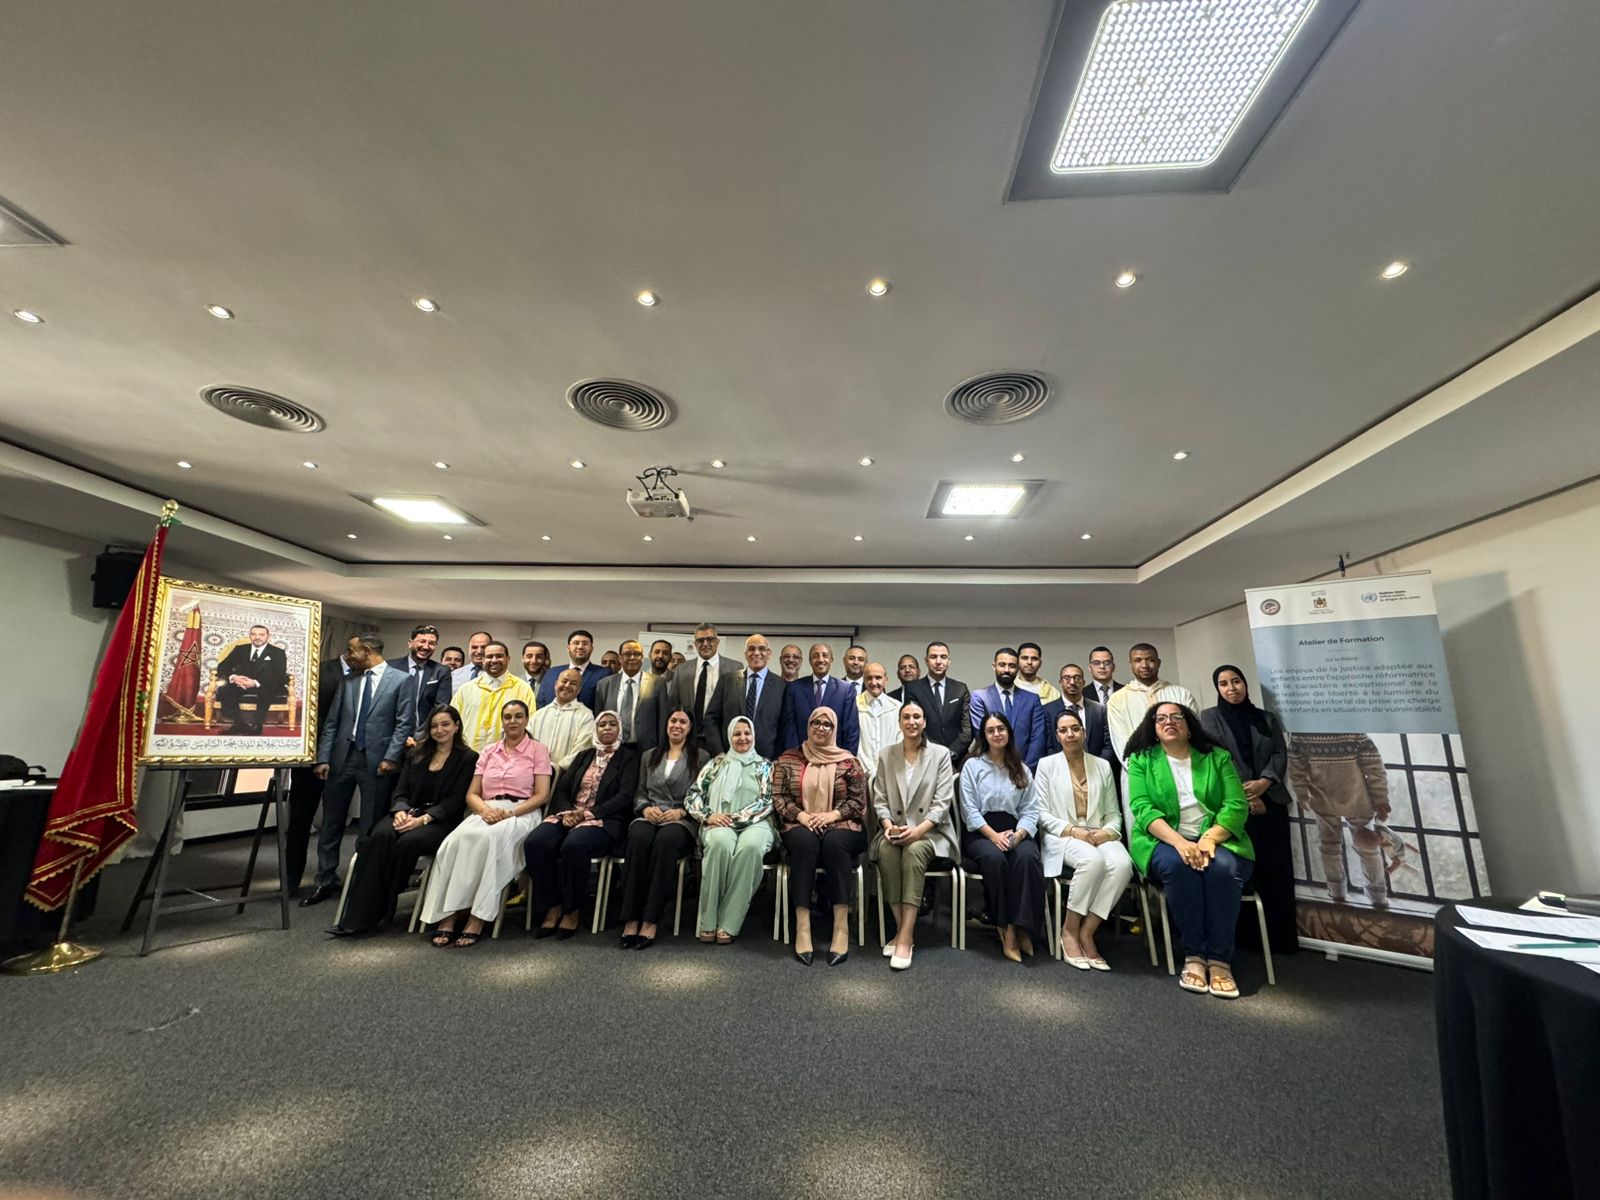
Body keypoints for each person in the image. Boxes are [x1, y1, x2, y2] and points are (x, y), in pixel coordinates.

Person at [1126, 702, 1254, 999]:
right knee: (1179, 867)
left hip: (1218, 838)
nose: (1168, 722)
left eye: (1176, 717)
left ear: (1189, 726)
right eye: (1160, 719)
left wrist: (1210, 838)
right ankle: (1194, 955)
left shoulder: (1217, 757)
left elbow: (1236, 805)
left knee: (1222, 870)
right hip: (1164, 840)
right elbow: (1142, 809)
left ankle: (1219, 960)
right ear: (1153, 729)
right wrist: (1180, 843)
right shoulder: (1142, 760)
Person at [328, 704, 477, 936]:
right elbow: (400, 791)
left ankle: (384, 907)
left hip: (440, 820)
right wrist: (400, 811)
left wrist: (424, 819)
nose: (439, 730)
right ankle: (356, 917)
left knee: (408, 842)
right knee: (378, 837)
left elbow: (456, 801)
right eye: (434, 726)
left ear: (457, 726)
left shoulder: (468, 758)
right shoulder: (416, 754)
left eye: (445, 724)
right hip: (408, 812)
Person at [419, 699, 552, 946]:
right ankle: (447, 915)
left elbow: (542, 795)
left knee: (490, 840)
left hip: (522, 812)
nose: (513, 721)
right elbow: (472, 793)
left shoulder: (538, 750)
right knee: (453, 842)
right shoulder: (489, 751)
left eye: (518, 716)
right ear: (502, 721)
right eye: (508, 717)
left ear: (526, 720)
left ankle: (476, 918)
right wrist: (484, 810)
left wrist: (511, 813)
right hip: (486, 809)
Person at [304, 635, 413, 906]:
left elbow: (404, 723)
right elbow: (332, 722)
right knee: (331, 823)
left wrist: (391, 757)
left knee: (368, 826)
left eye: (352, 651)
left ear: (367, 651)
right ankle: (325, 880)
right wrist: (323, 758)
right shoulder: (348, 681)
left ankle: (360, 882)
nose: (348, 655)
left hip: (378, 763)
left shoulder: (401, 680)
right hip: (342, 759)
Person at [1201, 666, 1297, 953]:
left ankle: (1281, 940)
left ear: (1244, 684)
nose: (1231, 688)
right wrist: (1248, 794)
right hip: (1235, 806)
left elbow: (1279, 753)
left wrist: (1265, 782)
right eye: (1224, 684)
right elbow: (1221, 757)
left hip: (1271, 802)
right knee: (1242, 873)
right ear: (1217, 689)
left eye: (1236, 681)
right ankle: (1246, 941)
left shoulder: (1265, 718)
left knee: (1276, 869)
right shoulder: (1210, 718)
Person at [526, 711, 641, 939]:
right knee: (536, 842)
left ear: (620, 729)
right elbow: (562, 788)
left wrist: (587, 814)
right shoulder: (584, 755)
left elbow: (625, 797)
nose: (607, 728)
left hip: (604, 819)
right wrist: (568, 812)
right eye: (602, 725)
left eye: (612, 724)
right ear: (595, 730)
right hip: (569, 815)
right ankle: (553, 905)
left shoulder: (628, 758)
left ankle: (572, 909)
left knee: (574, 845)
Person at [1033, 710, 1130, 970]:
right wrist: (1073, 830)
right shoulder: (1046, 765)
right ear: (1057, 736)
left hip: (1098, 833)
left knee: (1123, 865)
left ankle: (1088, 931)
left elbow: (1113, 813)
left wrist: (1105, 833)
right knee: (1092, 861)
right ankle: (1069, 930)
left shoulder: (1102, 765)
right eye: (1063, 730)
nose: (1070, 734)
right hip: (1062, 835)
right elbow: (1040, 813)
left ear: (1084, 732)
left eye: (1075, 728)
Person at [773, 706, 868, 965]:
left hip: (843, 824)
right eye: (816, 722)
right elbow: (779, 797)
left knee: (835, 843)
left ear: (834, 729)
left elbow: (858, 802)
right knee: (805, 843)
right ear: (808, 725)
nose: (821, 728)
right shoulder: (789, 759)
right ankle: (803, 925)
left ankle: (841, 926)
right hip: (800, 823)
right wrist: (802, 816)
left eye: (827, 724)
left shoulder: (849, 762)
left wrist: (831, 816)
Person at [872, 700, 957, 970]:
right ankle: (902, 930)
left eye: (917, 717)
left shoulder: (940, 754)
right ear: (899, 723)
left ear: (924, 722)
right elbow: (880, 800)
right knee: (886, 851)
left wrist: (917, 831)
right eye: (906, 717)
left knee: (913, 852)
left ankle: (906, 937)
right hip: (895, 829)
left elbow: (942, 804)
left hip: (931, 832)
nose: (912, 721)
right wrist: (888, 827)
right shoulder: (887, 754)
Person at [618, 706, 708, 948]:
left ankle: (651, 919)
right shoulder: (650, 755)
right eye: (673, 721)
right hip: (651, 814)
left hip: (681, 819)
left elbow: (703, 794)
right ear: (666, 725)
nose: (677, 725)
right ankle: (631, 917)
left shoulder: (701, 757)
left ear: (690, 728)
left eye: (683, 722)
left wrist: (682, 811)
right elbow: (640, 791)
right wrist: (645, 808)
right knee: (637, 838)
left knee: (664, 842)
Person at [685, 715, 777, 944]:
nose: (742, 738)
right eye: (737, 734)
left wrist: (734, 819)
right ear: (729, 737)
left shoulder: (765, 765)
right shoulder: (715, 764)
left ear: (754, 736)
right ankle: (708, 921)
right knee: (720, 844)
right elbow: (694, 795)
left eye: (747, 733)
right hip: (718, 820)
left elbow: (766, 801)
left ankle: (729, 921)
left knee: (751, 848)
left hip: (756, 823)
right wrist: (708, 816)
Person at [960, 713, 1044, 963]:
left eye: (1001, 729)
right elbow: (969, 809)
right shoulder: (972, 766)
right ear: (984, 736)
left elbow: (1031, 809)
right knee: (995, 860)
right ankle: (1005, 928)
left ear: (1009, 732)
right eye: (991, 730)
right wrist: (993, 836)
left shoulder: (1022, 768)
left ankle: (1023, 926)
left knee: (1027, 858)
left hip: (1014, 829)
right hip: (981, 831)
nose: (997, 734)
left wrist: (1019, 834)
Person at [1287, 731, 1398, 910]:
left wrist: (1301, 793)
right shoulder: (1351, 730)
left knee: (1330, 847)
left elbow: (1296, 766)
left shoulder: (1301, 732)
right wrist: (1380, 798)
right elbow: (1374, 766)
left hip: (1325, 799)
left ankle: (1337, 892)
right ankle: (1377, 895)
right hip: (1355, 798)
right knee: (1367, 848)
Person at [285, 643, 354, 894]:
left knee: (334, 821)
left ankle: (326, 877)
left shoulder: (367, 676)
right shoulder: (319, 670)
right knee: (300, 820)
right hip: (311, 759)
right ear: (351, 650)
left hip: (346, 760)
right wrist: (320, 753)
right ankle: (290, 880)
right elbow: (306, 712)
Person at [1104, 643, 1197, 763]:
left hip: (1182, 765)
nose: (1144, 665)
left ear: (1159, 663)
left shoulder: (1181, 694)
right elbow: (1121, 743)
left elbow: (1194, 733)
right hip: (1138, 769)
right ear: (1131, 664)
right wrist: (1140, 769)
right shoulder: (1117, 699)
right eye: (1138, 660)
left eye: (1150, 660)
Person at [705, 633, 788, 758]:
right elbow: (711, 718)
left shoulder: (782, 686)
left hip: (766, 759)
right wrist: (719, 751)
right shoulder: (727, 681)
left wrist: (776, 757)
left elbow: (785, 726)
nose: (756, 653)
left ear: (769, 653)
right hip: (729, 756)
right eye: (751, 649)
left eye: (761, 649)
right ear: (745, 653)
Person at [969, 648, 1047, 770]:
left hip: (1025, 769)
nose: (1006, 670)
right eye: (1002, 665)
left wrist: (1024, 770)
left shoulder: (1032, 699)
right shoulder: (980, 697)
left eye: (1012, 666)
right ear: (994, 666)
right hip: (991, 769)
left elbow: (1038, 738)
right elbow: (981, 735)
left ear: (1018, 668)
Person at [454, 641, 536, 751]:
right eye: (489, 657)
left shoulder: (523, 689)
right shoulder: (466, 690)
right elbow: (453, 723)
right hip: (468, 754)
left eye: (499, 656)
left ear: (508, 659)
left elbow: (530, 726)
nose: (494, 660)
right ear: (483, 660)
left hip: (506, 756)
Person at [1040, 663, 1116, 781]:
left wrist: (1097, 767)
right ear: (1060, 682)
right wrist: (1061, 769)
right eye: (1067, 678)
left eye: (1077, 678)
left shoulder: (1099, 709)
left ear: (1083, 682)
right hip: (1060, 774)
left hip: (1095, 772)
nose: (1072, 682)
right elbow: (1048, 746)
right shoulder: (1048, 710)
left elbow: (1108, 744)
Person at [670, 622, 740, 751]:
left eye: (710, 639)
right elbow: (673, 704)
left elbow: (737, 707)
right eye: (700, 640)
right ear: (695, 644)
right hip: (688, 739)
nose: (705, 643)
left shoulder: (734, 668)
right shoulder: (682, 670)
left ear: (717, 642)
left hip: (721, 740)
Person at [780, 643, 861, 753]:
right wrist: (795, 756)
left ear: (831, 660)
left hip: (835, 757)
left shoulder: (845, 690)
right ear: (810, 661)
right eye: (816, 656)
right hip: (802, 756)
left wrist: (845, 759)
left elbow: (851, 730)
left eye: (825, 655)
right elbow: (789, 728)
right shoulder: (794, 688)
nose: (820, 659)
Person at [902, 642, 973, 764]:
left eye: (943, 657)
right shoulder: (913, 689)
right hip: (924, 757)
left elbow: (967, 729)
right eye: (933, 657)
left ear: (949, 661)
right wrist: (935, 753)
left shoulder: (960, 689)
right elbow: (915, 725)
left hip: (957, 758)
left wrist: (950, 753)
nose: (938, 662)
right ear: (926, 661)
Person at [214, 624, 289, 733]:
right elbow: (223, 666)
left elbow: (278, 674)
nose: (257, 637)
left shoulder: (278, 652)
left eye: (261, 634)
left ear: (268, 636)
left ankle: (256, 726)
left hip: (265, 684)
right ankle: (239, 724)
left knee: (267, 691)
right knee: (225, 690)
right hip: (241, 683)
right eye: (254, 634)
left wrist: (255, 683)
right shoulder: (240, 649)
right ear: (250, 635)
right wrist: (234, 677)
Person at [388, 623, 452, 740]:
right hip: (391, 736)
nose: (426, 647)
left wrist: (421, 736)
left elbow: (440, 708)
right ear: (410, 643)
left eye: (431, 643)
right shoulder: (390, 667)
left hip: (425, 737)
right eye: (422, 641)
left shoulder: (441, 671)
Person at [528, 668, 597, 765]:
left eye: (573, 683)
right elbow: (527, 743)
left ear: (579, 690)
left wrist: (557, 768)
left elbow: (582, 749)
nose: (567, 685)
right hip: (534, 770)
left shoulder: (586, 716)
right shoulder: (538, 715)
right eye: (564, 681)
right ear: (556, 684)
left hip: (567, 773)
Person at [537, 629, 610, 712]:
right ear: (568, 648)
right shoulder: (551, 673)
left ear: (592, 648)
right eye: (576, 643)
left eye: (585, 643)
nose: (580, 647)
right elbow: (540, 703)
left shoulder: (604, 674)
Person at [855, 662, 902, 784]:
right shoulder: (854, 705)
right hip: (861, 774)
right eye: (869, 678)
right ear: (864, 680)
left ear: (886, 680)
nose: (874, 682)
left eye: (878, 677)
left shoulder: (897, 707)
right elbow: (854, 743)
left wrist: (886, 769)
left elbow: (900, 742)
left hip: (891, 773)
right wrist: (870, 771)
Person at [596, 640, 648, 747]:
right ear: (620, 658)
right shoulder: (604, 684)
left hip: (645, 748)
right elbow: (598, 718)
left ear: (642, 658)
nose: (632, 658)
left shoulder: (656, 683)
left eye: (637, 654)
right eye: (627, 654)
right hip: (611, 746)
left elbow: (661, 719)